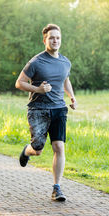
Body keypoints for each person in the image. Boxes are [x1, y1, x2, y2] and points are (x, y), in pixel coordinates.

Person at [15, 24, 77, 202]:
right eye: (51, 38)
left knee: (59, 147)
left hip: (59, 109)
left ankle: (57, 188)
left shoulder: (65, 62)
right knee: (38, 149)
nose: (55, 40)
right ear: (44, 40)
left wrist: (72, 97)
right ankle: (27, 151)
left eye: (57, 38)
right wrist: (38, 89)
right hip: (38, 110)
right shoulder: (36, 62)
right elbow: (19, 83)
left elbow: (65, 80)